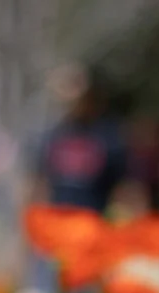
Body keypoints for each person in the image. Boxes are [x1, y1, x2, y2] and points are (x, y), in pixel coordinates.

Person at [35, 66, 124, 213]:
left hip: (93, 221)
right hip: (57, 219)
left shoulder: (107, 135)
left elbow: (122, 186)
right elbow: (40, 181)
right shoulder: (52, 134)